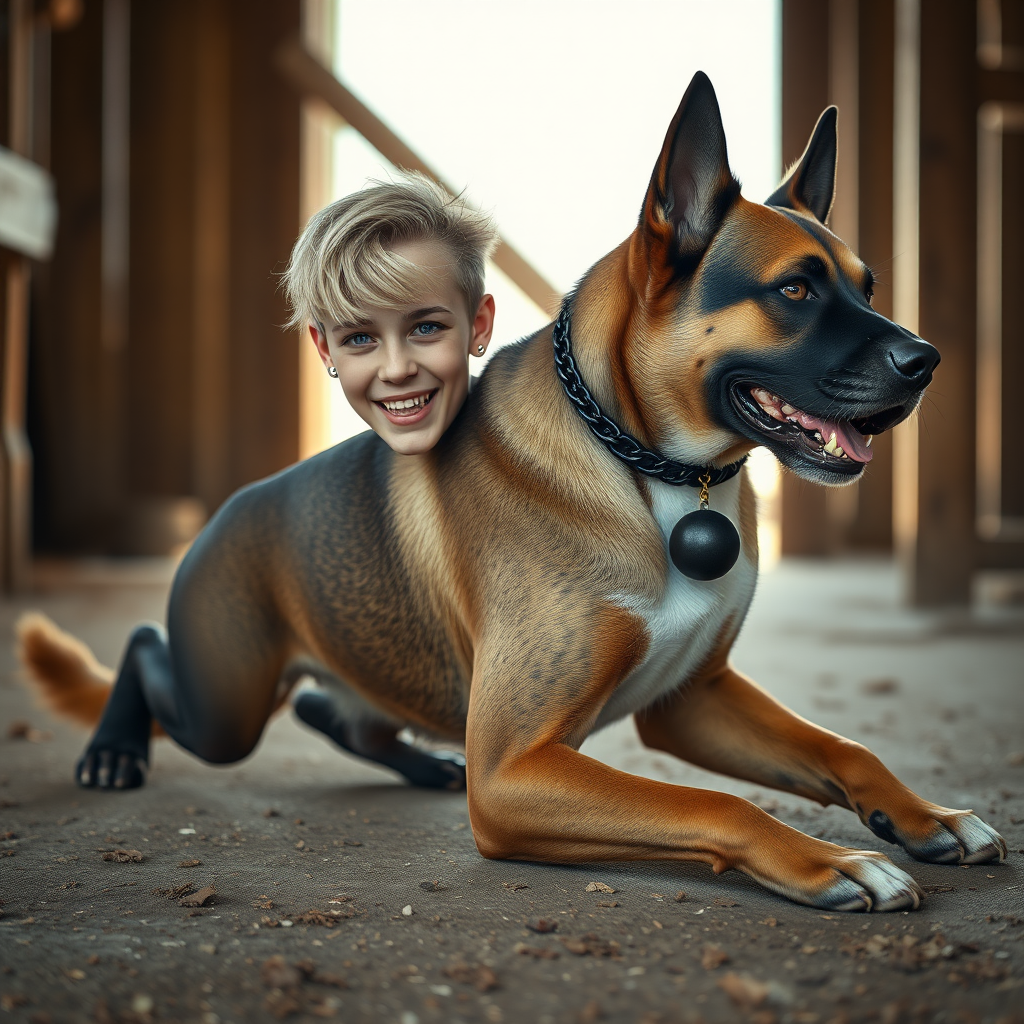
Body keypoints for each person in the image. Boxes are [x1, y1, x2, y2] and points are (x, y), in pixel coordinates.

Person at [284, 173, 498, 455]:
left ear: (478, 325)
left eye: (426, 328)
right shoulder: (286, 497)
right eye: (359, 338)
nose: (397, 370)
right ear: (324, 349)